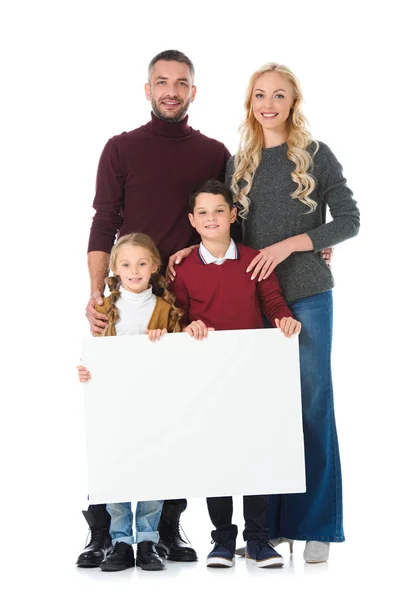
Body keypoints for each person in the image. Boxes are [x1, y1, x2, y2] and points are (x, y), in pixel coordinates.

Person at [167, 63, 360, 564]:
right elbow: (224, 231)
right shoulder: (239, 164)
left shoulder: (317, 157)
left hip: (309, 297)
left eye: (278, 95)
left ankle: (317, 524)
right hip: (254, 305)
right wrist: (192, 252)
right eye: (259, 95)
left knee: (313, 409)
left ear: (293, 102)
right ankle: (267, 528)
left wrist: (297, 243)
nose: (268, 103)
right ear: (249, 103)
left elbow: (351, 220)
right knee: (263, 415)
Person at [79, 49, 232, 567]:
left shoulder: (214, 153)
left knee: (176, 413)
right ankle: (104, 530)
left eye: (181, 82)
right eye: (161, 82)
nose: (171, 90)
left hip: (184, 301)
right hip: (127, 298)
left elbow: (229, 222)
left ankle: (166, 527)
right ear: (147, 90)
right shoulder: (120, 148)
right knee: (112, 414)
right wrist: (99, 295)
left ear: (194, 91)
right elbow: (104, 222)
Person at [169, 179, 301, 568]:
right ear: (192, 220)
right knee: (218, 456)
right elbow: (177, 315)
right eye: (203, 213)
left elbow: (272, 301)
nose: (212, 218)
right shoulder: (184, 270)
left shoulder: (253, 259)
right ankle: (222, 541)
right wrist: (186, 328)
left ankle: (258, 540)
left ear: (233, 215)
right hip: (208, 375)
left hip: (251, 372)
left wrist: (285, 320)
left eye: (219, 211)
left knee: (255, 454)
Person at [78, 232, 183, 571]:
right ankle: (121, 540)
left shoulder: (166, 310)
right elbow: (99, 356)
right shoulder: (105, 309)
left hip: (156, 405)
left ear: (154, 266)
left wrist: (166, 341)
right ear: (114, 268)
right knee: (118, 467)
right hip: (115, 405)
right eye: (125, 264)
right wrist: (86, 371)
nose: (134, 270)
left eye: (141, 263)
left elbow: (183, 359)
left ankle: (149, 540)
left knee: (153, 468)